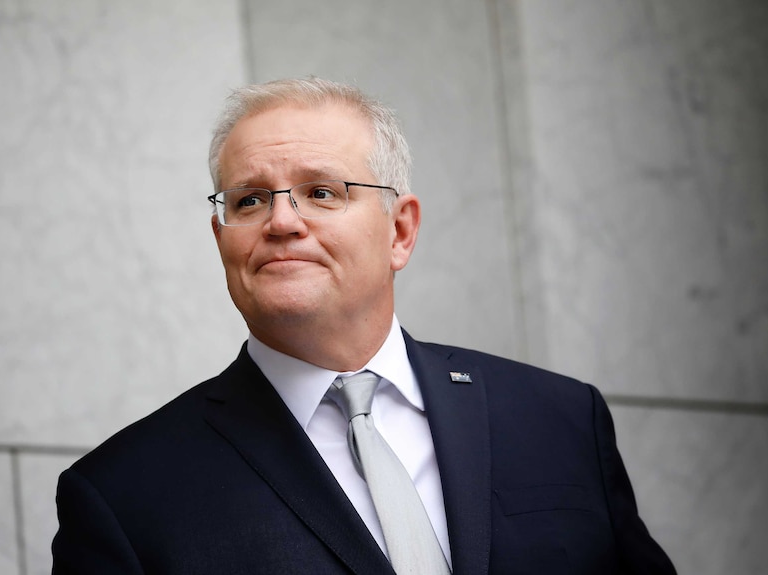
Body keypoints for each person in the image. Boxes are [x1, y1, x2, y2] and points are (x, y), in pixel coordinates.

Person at [52, 77, 676, 574]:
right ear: (222, 241)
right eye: (249, 199)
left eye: (321, 192)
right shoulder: (126, 496)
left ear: (399, 231)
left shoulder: (559, 420)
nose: (282, 221)